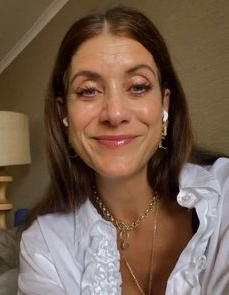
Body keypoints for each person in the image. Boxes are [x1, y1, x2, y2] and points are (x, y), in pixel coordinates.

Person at [17, 5, 229, 295]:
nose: (114, 114)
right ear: (63, 114)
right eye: (89, 90)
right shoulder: (44, 246)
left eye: (138, 86)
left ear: (165, 105)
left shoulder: (223, 197)